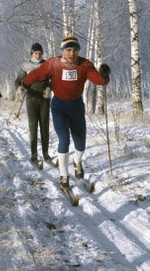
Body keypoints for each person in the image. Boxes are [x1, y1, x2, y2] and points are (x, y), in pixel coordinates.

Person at [22, 35, 110, 189]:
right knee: (64, 139)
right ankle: (64, 176)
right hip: (59, 107)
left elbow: (98, 80)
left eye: (75, 50)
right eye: (68, 50)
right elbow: (38, 73)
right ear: (62, 50)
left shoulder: (84, 64)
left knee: (80, 144)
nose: (72, 53)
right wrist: (26, 82)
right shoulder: (53, 63)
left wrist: (104, 76)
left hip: (76, 107)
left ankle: (77, 161)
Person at [15, 42, 52, 166]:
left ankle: (46, 153)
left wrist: (49, 88)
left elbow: (53, 79)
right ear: (32, 54)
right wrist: (19, 88)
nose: (38, 55)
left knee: (45, 126)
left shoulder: (47, 65)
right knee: (33, 126)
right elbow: (17, 81)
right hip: (31, 98)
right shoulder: (26, 66)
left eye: (40, 53)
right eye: (36, 53)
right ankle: (34, 154)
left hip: (44, 98)